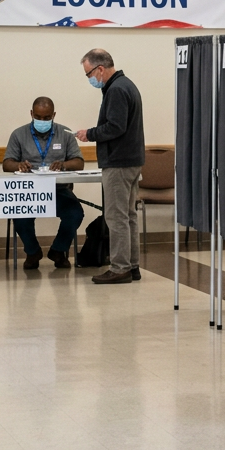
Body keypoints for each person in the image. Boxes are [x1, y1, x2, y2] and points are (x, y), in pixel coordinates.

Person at [75, 49, 145, 284]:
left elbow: (115, 127)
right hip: (132, 160)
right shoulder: (127, 85)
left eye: (89, 74)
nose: (90, 79)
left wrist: (89, 134)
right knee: (129, 216)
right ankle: (132, 266)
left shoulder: (116, 89)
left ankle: (120, 268)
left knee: (115, 217)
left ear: (100, 69)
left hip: (118, 162)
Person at [3, 97, 85, 270]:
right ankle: (32, 252)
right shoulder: (18, 134)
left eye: (47, 118)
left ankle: (58, 250)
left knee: (75, 213)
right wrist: (19, 165)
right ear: (31, 114)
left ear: (54, 115)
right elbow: (6, 163)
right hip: (28, 191)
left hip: (59, 190)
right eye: (38, 117)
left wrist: (64, 165)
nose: (42, 121)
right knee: (20, 217)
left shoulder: (65, 133)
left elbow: (79, 162)